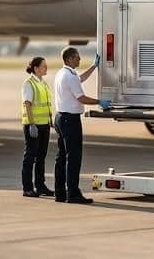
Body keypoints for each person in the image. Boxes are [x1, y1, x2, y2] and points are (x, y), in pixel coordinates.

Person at [52, 47, 109, 204]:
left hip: (60, 118)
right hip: (70, 121)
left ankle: (60, 193)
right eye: (77, 57)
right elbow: (81, 98)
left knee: (62, 157)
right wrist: (99, 102)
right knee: (74, 158)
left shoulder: (63, 73)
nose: (79, 60)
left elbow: (80, 78)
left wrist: (93, 66)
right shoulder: (69, 77)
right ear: (69, 59)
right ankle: (73, 194)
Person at [21, 57, 54, 198]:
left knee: (41, 157)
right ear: (36, 68)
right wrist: (32, 124)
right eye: (43, 66)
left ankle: (40, 186)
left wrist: (50, 119)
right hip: (33, 125)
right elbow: (27, 104)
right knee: (30, 156)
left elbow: (46, 103)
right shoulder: (29, 84)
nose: (46, 68)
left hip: (44, 124)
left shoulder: (43, 83)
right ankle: (27, 188)